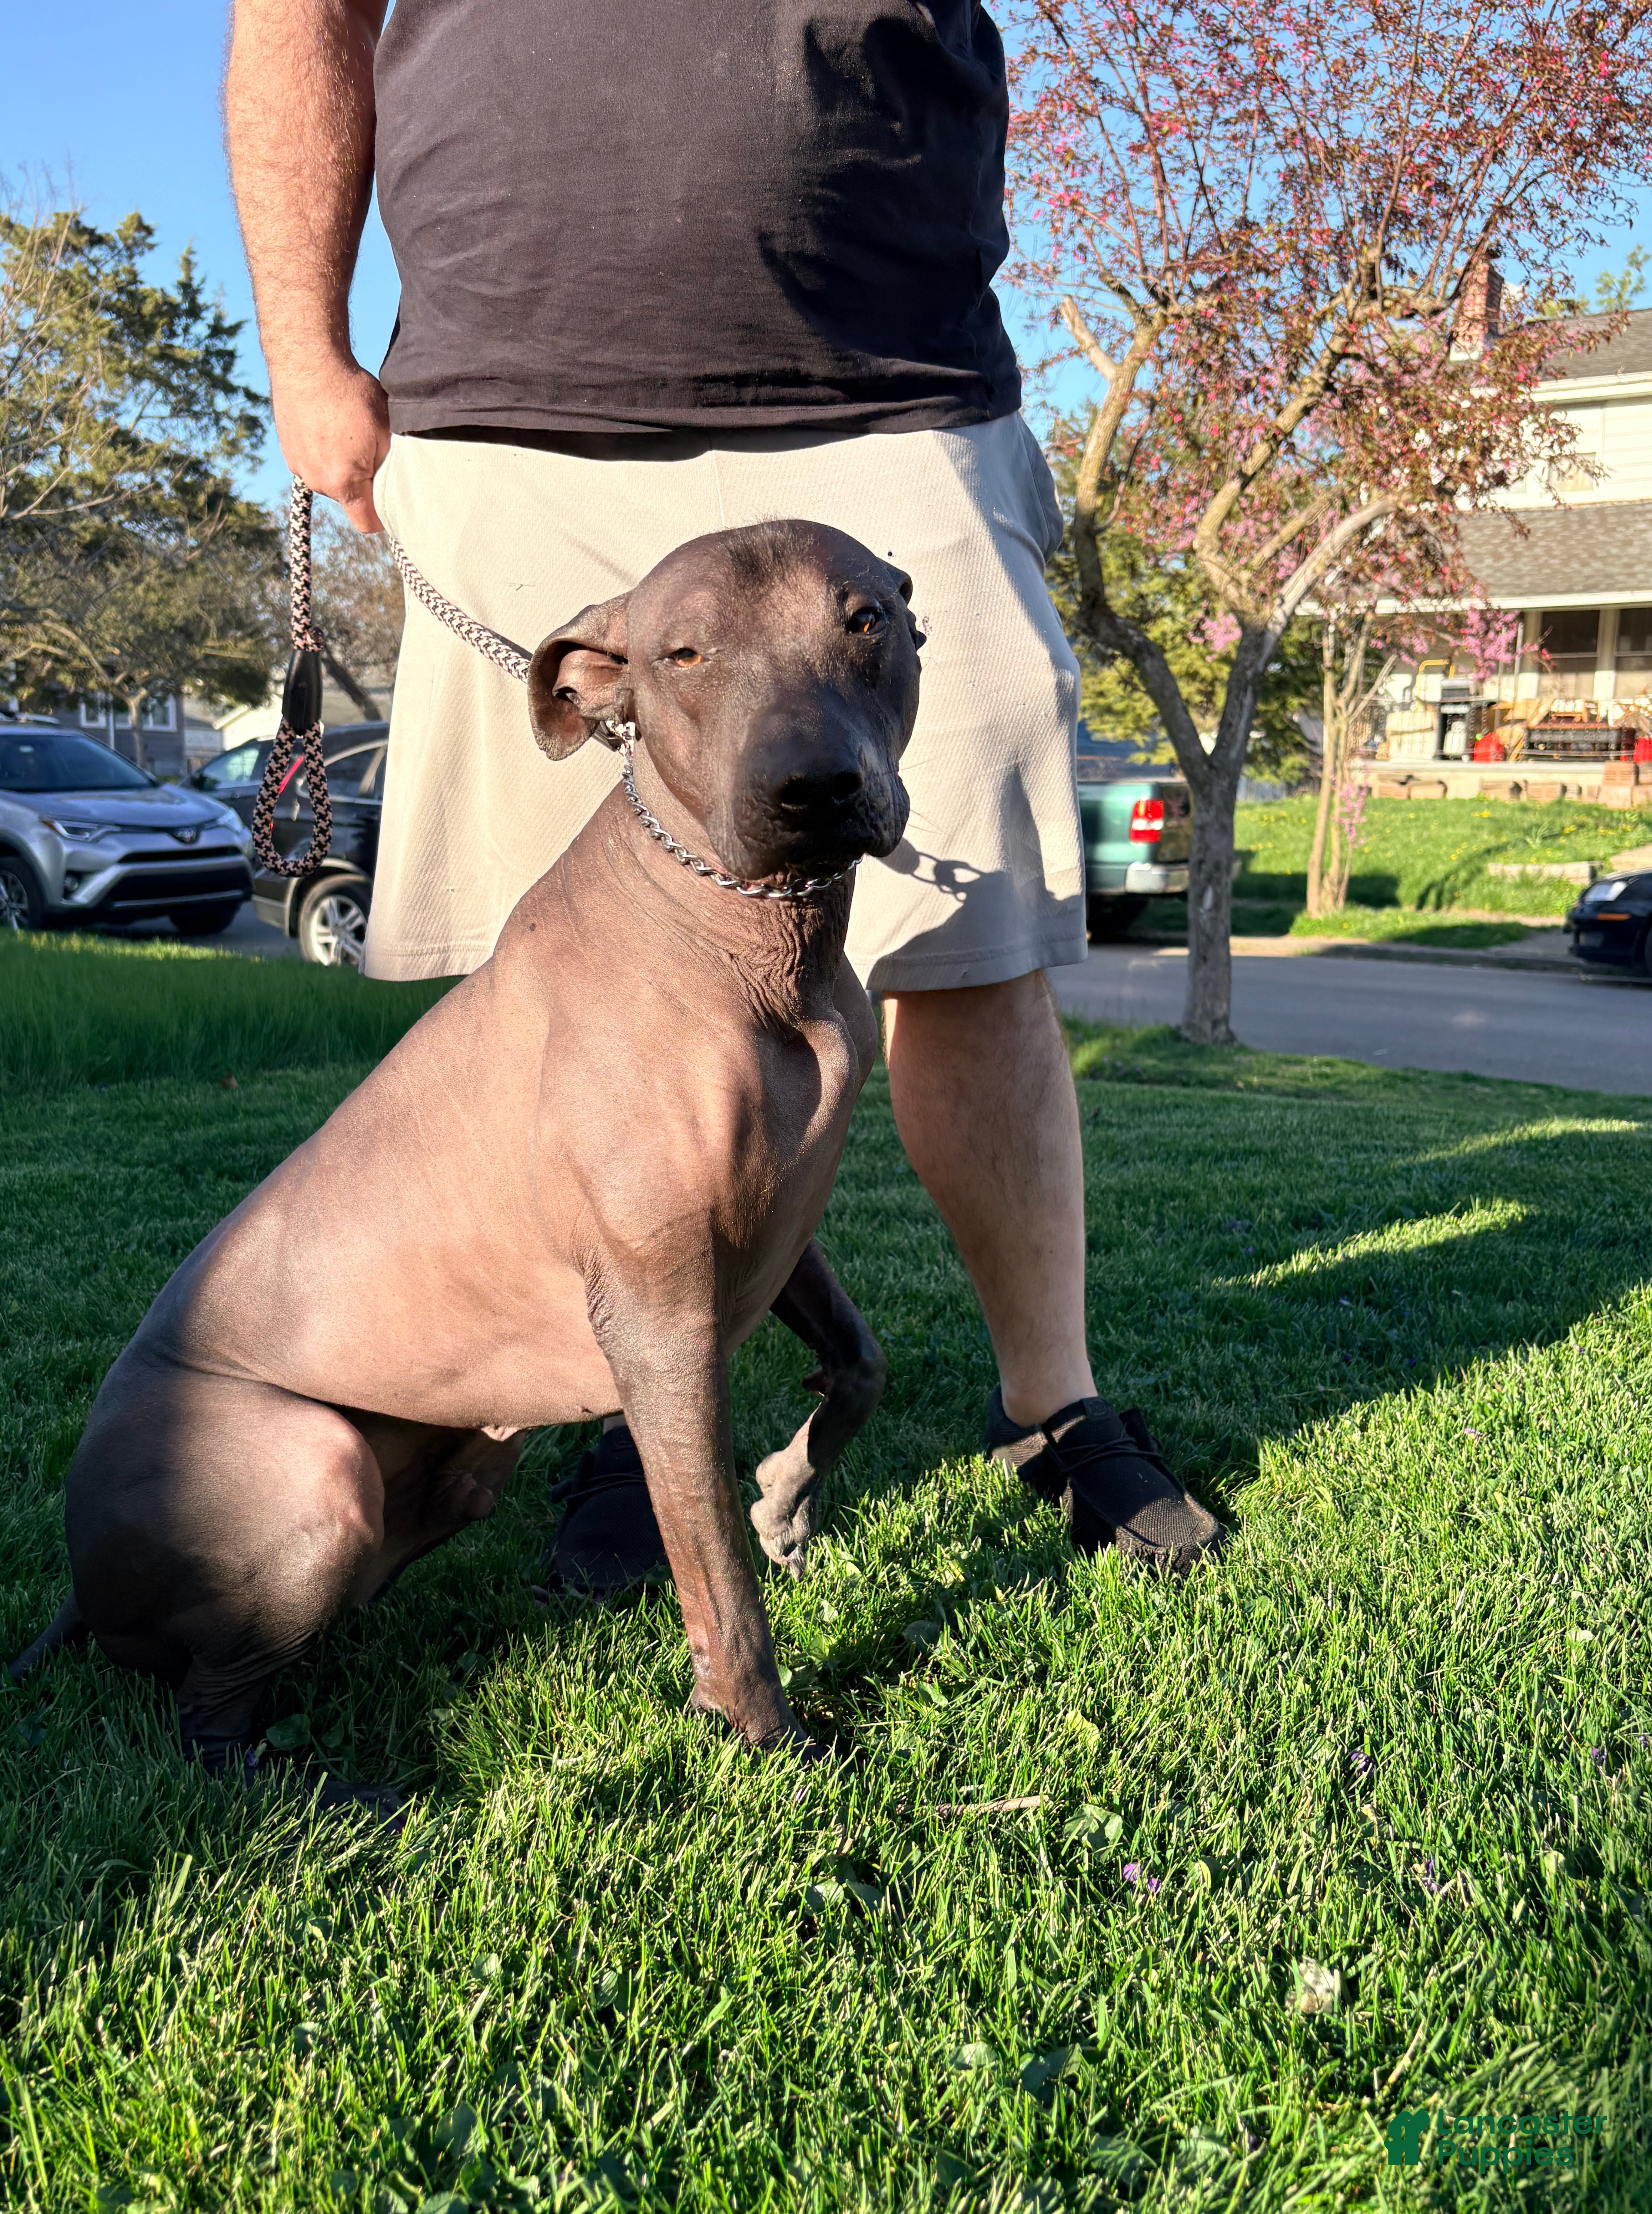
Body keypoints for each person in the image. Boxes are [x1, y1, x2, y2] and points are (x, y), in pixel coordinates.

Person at [225, 0, 1224, 1587]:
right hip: (513, 393)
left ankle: (1054, 1403)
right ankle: (643, 1419)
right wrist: (302, 350)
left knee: (981, 945)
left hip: (890, 381)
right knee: (573, 985)